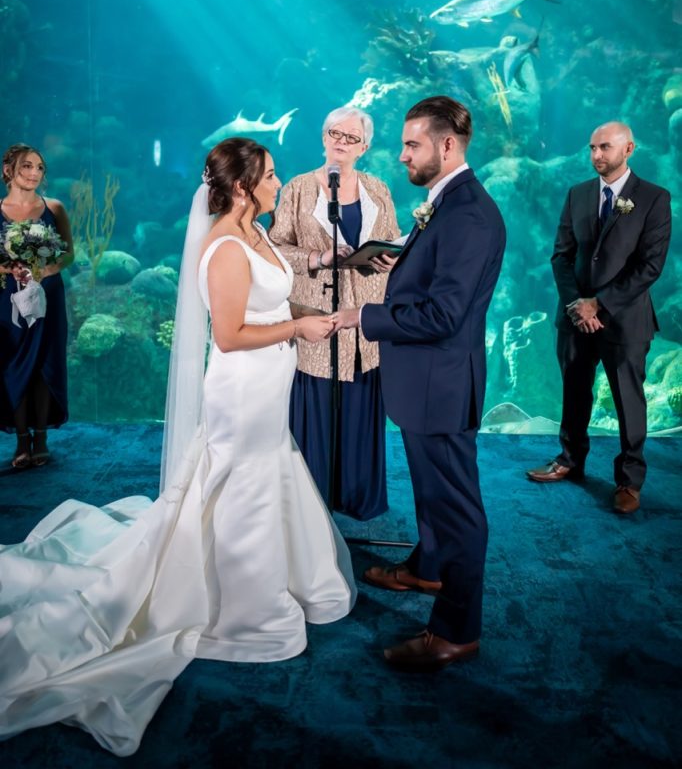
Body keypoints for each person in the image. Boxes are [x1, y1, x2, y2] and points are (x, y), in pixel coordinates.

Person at [0, 138, 356, 756]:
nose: (280, 185)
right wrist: (298, 327)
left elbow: (269, 298)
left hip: (271, 385)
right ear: (243, 186)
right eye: (271, 177)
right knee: (240, 483)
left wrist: (326, 312)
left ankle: (287, 574)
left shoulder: (259, 232)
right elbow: (231, 333)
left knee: (270, 469)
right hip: (243, 388)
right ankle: (245, 604)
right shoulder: (222, 244)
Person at [332, 96, 506, 671]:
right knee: (433, 495)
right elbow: (436, 279)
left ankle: (457, 630)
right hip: (427, 383)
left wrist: (368, 317)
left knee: (457, 508)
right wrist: (402, 263)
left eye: (412, 145)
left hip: (441, 386)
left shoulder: (468, 215)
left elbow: (443, 317)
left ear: (447, 146)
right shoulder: (445, 205)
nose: (402, 155)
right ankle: (427, 570)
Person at [527, 121, 672, 514]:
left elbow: (650, 266)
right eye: (592, 148)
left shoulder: (655, 198)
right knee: (575, 392)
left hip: (625, 320)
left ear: (629, 149)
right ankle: (570, 460)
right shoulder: (578, 195)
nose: (596, 156)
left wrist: (600, 304)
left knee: (629, 401)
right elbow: (561, 255)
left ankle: (629, 481)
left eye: (604, 147)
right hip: (575, 318)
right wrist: (578, 304)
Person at [270, 106, 400, 520]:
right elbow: (274, 252)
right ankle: (312, 505)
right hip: (316, 321)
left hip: (366, 322)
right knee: (317, 414)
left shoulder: (378, 190)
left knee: (362, 411)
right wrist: (318, 257)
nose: (340, 143)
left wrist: (390, 260)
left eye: (350, 137)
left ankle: (359, 497)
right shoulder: (297, 189)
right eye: (334, 134)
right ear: (323, 137)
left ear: (365, 146)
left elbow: (394, 241)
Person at [0, 143, 73, 468]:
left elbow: (69, 252)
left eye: (40, 167)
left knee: (44, 363)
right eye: (27, 166)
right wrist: (9, 269)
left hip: (48, 295)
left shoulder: (54, 207)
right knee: (13, 363)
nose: (34, 173)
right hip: (7, 297)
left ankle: (41, 436)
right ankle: (21, 440)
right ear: (9, 171)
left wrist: (44, 271)